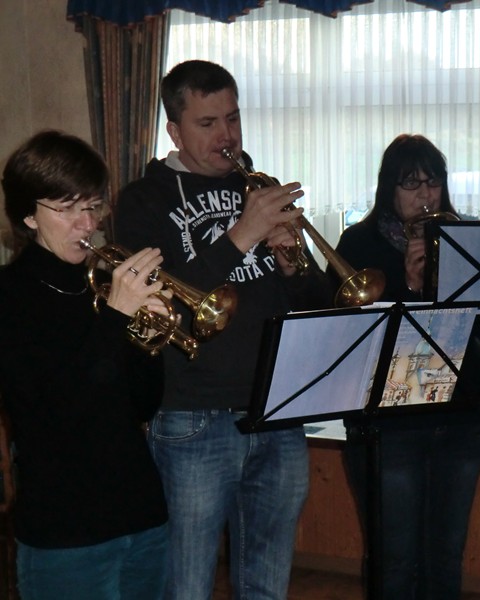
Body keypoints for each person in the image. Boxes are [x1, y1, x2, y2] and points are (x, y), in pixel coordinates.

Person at [113, 60, 331, 599]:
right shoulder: (143, 200)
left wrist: (292, 264)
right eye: (207, 123)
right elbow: (160, 305)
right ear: (174, 131)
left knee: (268, 586)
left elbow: (314, 302)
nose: (226, 135)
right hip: (193, 416)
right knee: (187, 586)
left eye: (232, 118)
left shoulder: (258, 188)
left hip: (276, 410)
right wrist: (241, 235)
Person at [0, 130, 169, 599]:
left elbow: (142, 405)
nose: (88, 224)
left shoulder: (101, 287)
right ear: (29, 214)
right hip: (66, 532)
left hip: (142, 517)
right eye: (68, 208)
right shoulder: (11, 296)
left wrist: (147, 341)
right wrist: (116, 319)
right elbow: (53, 411)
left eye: (94, 206)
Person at [331, 133, 480, 599]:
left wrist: (447, 285)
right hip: (387, 422)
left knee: (446, 556)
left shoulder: (465, 238)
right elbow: (343, 335)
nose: (425, 195)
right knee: (395, 559)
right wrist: (409, 285)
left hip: (459, 413)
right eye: (411, 184)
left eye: (433, 182)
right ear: (389, 188)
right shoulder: (358, 243)